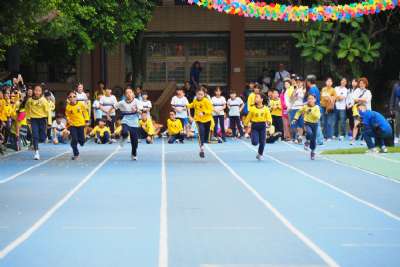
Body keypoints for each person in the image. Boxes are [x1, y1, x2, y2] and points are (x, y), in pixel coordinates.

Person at [25, 85, 52, 160]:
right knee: (35, 135)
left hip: (42, 119)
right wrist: (27, 118)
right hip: (34, 120)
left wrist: (49, 122)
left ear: (41, 92)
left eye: (39, 90)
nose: (37, 92)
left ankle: (43, 137)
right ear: (34, 91)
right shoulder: (29, 100)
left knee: (42, 138)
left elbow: (49, 111)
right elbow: (26, 109)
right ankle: (36, 152)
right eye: (36, 90)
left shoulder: (43, 100)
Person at [115, 87, 141, 160]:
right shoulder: (122, 102)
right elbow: (114, 106)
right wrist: (108, 113)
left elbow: (141, 112)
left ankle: (134, 154)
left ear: (133, 93)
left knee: (134, 141)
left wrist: (136, 110)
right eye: (127, 93)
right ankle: (124, 137)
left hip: (134, 122)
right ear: (125, 95)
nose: (128, 94)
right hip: (125, 120)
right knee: (124, 131)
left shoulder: (137, 101)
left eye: (130, 92)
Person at [292, 94, 321, 160]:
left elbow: (318, 116)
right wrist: (295, 119)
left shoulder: (317, 107)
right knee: (309, 133)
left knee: (313, 139)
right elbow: (298, 112)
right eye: (309, 99)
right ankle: (307, 141)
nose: (310, 100)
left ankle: (312, 151)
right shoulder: (305, 107)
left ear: (315, 100)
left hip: (315, 124)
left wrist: (311, 112)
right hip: (307, 123)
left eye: (312, 99)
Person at [244, 94, 272, 160]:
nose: (255, 98)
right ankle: (254, 138)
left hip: (262, 126)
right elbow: (248, 117)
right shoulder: (252, 109)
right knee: (255, 143)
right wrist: (245, 124)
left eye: (257, 97)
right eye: (255, 97)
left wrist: (269, 122)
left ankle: (260, 154)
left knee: (263, 142)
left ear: (261, 99)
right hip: (255, 126)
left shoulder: (266, 109)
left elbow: (269, 118)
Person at [187, 87, 213, 158]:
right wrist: (186, 106)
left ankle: (204, 142)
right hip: (198, 120)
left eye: (201, 94)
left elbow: (211, 110)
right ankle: (202, 148)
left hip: (207, 120)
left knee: (206, 136)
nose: (200, 96)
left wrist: (204, 112)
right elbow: (192, 105)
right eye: (198, 94)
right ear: (196, 94)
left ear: (204, 94)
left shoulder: (206, 101)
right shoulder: (195, 100)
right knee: (201, 132)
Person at [65, 90, 89, 160]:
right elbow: (67, 115)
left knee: (82, 141)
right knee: (74, 139)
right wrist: (68, 120)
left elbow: (85, 112)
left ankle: (83, 140)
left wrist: (86, 120)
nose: (72, 98)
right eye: (70, 97)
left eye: (74, 96)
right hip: (72, 125)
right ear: (68, 98)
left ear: (76, 97)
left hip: (81, 124)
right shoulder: (68, 107)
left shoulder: (80, 104)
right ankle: (76, 153)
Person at [306, 75, 323, 145]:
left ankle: (319, 140)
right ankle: (318, 140)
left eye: (307, 81)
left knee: (316, 125)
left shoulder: (312, 89)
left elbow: (312, 100)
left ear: (309, 82)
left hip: (314, 108)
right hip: (317, 107)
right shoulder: (316, 88)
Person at [288, 77, 305, 143]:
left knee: (301, 124)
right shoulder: (294, 89)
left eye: (300, 82)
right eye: (297, 82)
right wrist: (295, 90)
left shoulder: (304, 90)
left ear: (302, 83)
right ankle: (294, 138)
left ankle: (300, 137)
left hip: (301, 108)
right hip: (294, 108)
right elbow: (291, 99)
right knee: (293, 123)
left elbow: (305, 99)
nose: (298, 83)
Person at [389, 78, 400, 143]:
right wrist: (391, 108)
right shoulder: (396, 86)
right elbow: (392, 96)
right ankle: (397, 136)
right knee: (397, 122)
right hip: (397, 107)